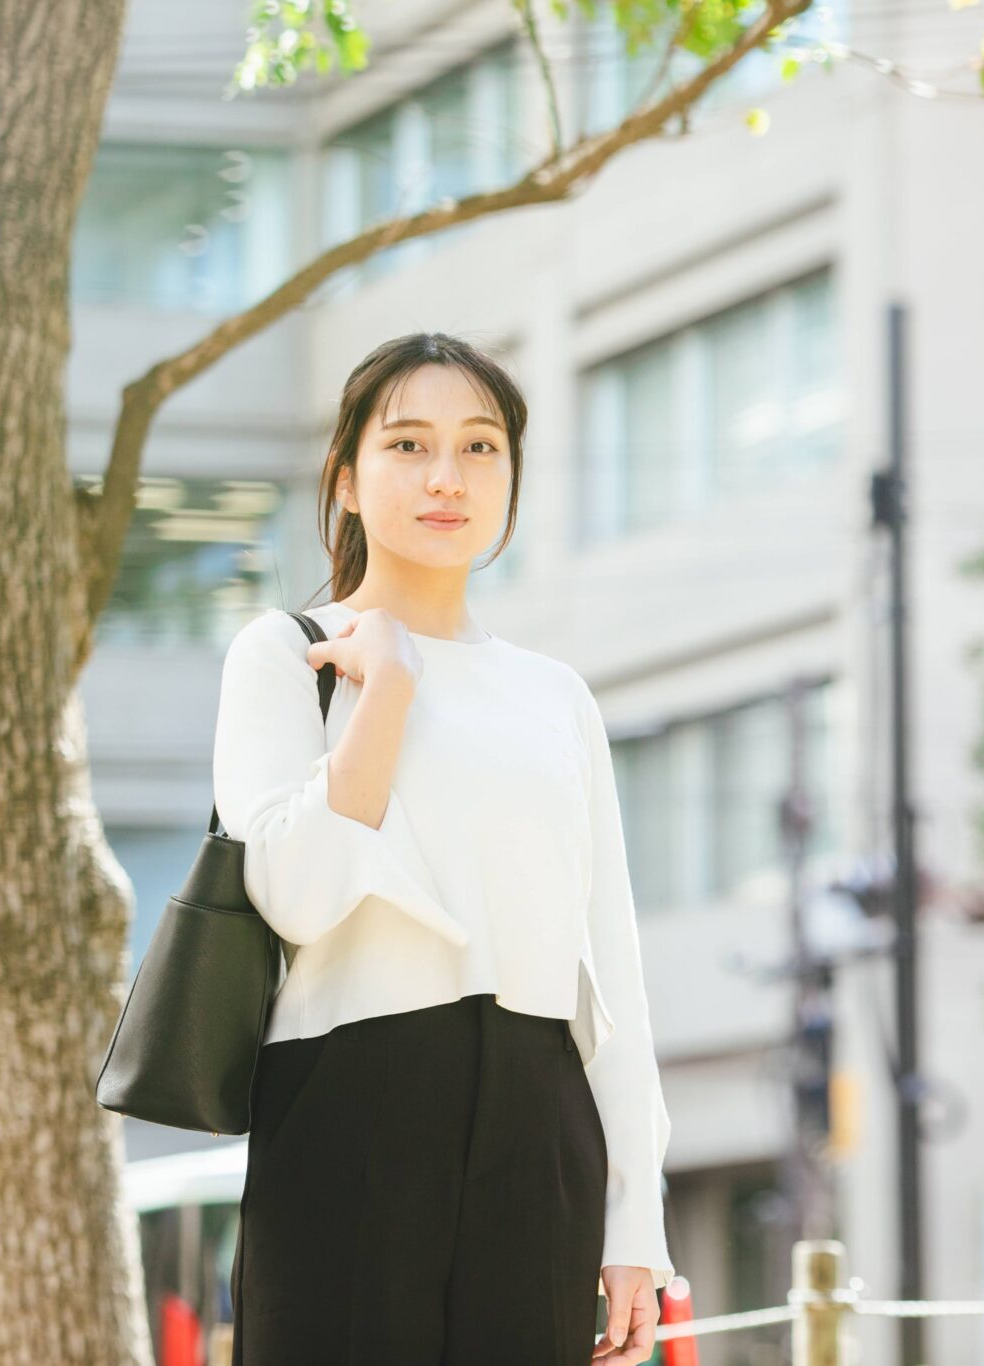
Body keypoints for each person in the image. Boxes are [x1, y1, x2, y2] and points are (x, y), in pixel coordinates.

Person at [216, 332, 672, 1366]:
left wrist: (633, 1220)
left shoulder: (553, 695)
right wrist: (385, 691)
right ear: (343, 479)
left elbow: (612, 972)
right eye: (408, 444)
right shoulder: (286, 655)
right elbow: (293, 895)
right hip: (344, 1105)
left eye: (478, 448)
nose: (444, 477)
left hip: (535, 1117)